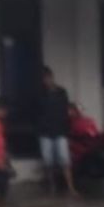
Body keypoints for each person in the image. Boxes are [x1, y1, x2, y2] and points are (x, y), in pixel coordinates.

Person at [39, 66, 77, 197]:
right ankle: (52, 187)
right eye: (44, 79)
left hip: (60, 131)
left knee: (65, 160)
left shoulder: (61, 92)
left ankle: (70, 187)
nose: (46, 81)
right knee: (48, 161)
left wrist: (67, 125)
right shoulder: (40, 94)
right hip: (45, 132)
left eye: (48, 78)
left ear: (52, 77)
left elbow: (67, 109)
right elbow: (37, 113)